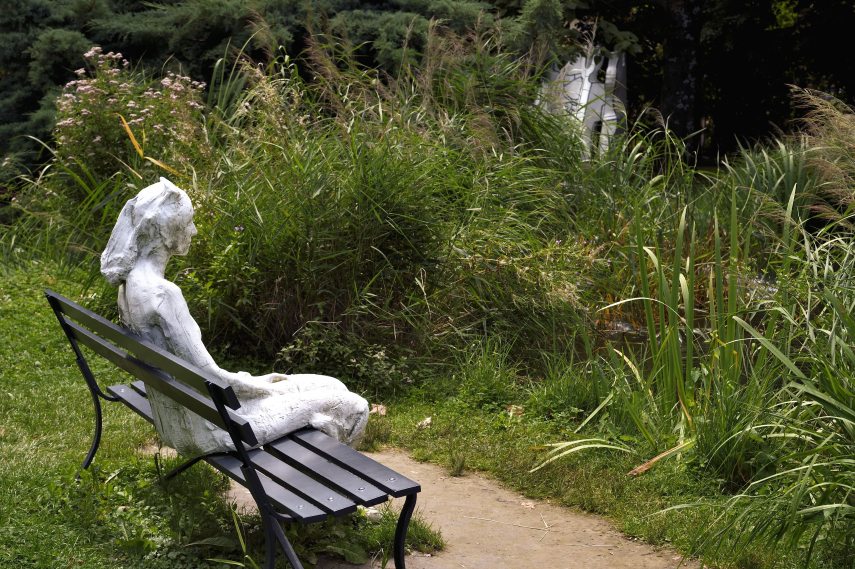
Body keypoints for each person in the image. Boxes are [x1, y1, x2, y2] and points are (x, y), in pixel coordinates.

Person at [100, 178, 369, 456]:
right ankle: (328, 488)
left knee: (330, 384)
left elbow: (204, 375)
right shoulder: (163, 295)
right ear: (168, 231)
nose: (193, 230)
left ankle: (314, 466)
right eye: (188, 222)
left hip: (184, 417)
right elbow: (211, 376)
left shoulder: (129, 286)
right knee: (353, 405)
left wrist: (260, 382)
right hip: (215, 429)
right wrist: (263, 387)